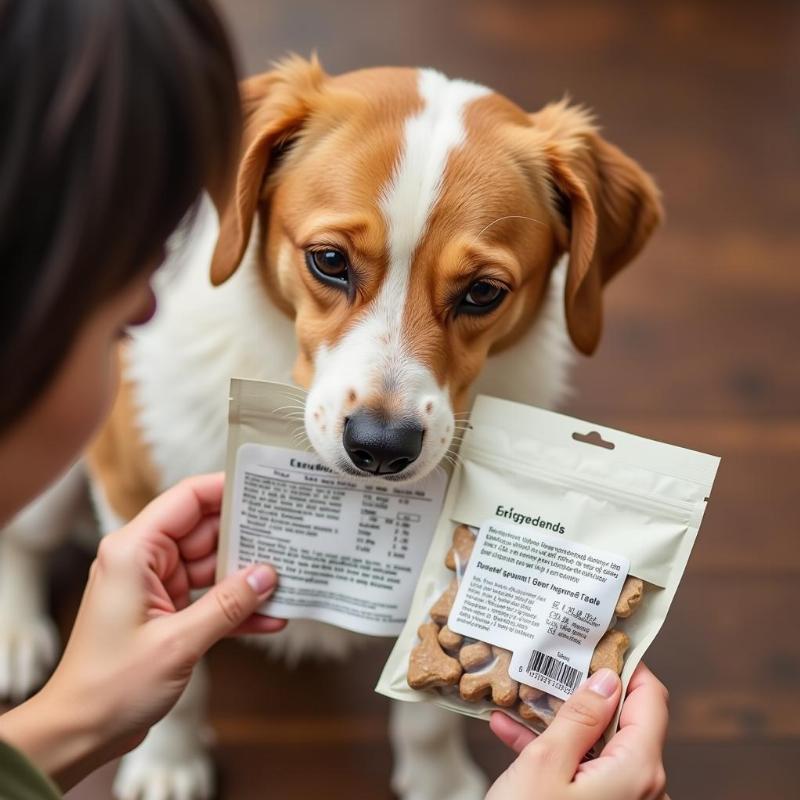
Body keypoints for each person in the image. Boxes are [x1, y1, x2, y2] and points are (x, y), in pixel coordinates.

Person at [0, 0, 669, 797]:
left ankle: (425, 758)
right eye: (331, 264)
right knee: (53, 506)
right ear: (251, 188)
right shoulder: (153, 360)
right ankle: (17, 556)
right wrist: (155, 729)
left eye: (479, 292)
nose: (385, 409)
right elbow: (126, 489)